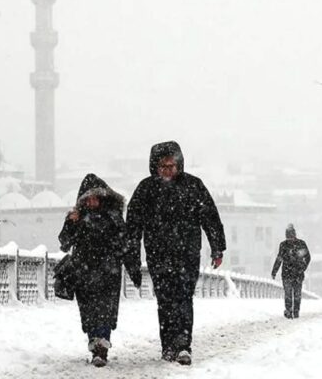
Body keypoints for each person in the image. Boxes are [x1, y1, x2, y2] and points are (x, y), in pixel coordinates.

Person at [124, 141, 226, 366]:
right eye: (163, 166)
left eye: (172, 166)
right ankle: (168, 345)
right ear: (155, 167)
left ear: (179, 165)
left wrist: (217, 247)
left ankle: (183, 345)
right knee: (165, 300)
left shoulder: (193, 186)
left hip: (187, 254)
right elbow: (132, 226)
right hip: (158, 254)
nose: (168, 170)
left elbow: (210, 217)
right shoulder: (146, 189)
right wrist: (131, 255)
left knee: (183, 298)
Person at [58, 174, 141, 368]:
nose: (92, 201)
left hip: (108, 273)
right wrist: (71, 222)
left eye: (96, 196)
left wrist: (133, 270)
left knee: (105, 311)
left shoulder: (113, 218)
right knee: (88, 312)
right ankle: (95, 343)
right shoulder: (77, 218)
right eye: (88, 198)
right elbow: (64, 243)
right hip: (84, 273)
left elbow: (125, 246)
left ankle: (101, 347)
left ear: (103, 197)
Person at [271, 224, 311, 319]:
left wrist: (303, 268)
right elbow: (279, 259)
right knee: (289, 294)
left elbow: (307, 257)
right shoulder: (286, 245)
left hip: (294, 273)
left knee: (295, 294)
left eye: (291, 236)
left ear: (294, 235)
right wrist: (274, 271)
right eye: (288, 237)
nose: (290, 239)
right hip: (290, 274)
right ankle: (289, 311)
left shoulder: (299, 244)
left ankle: (295, 311)